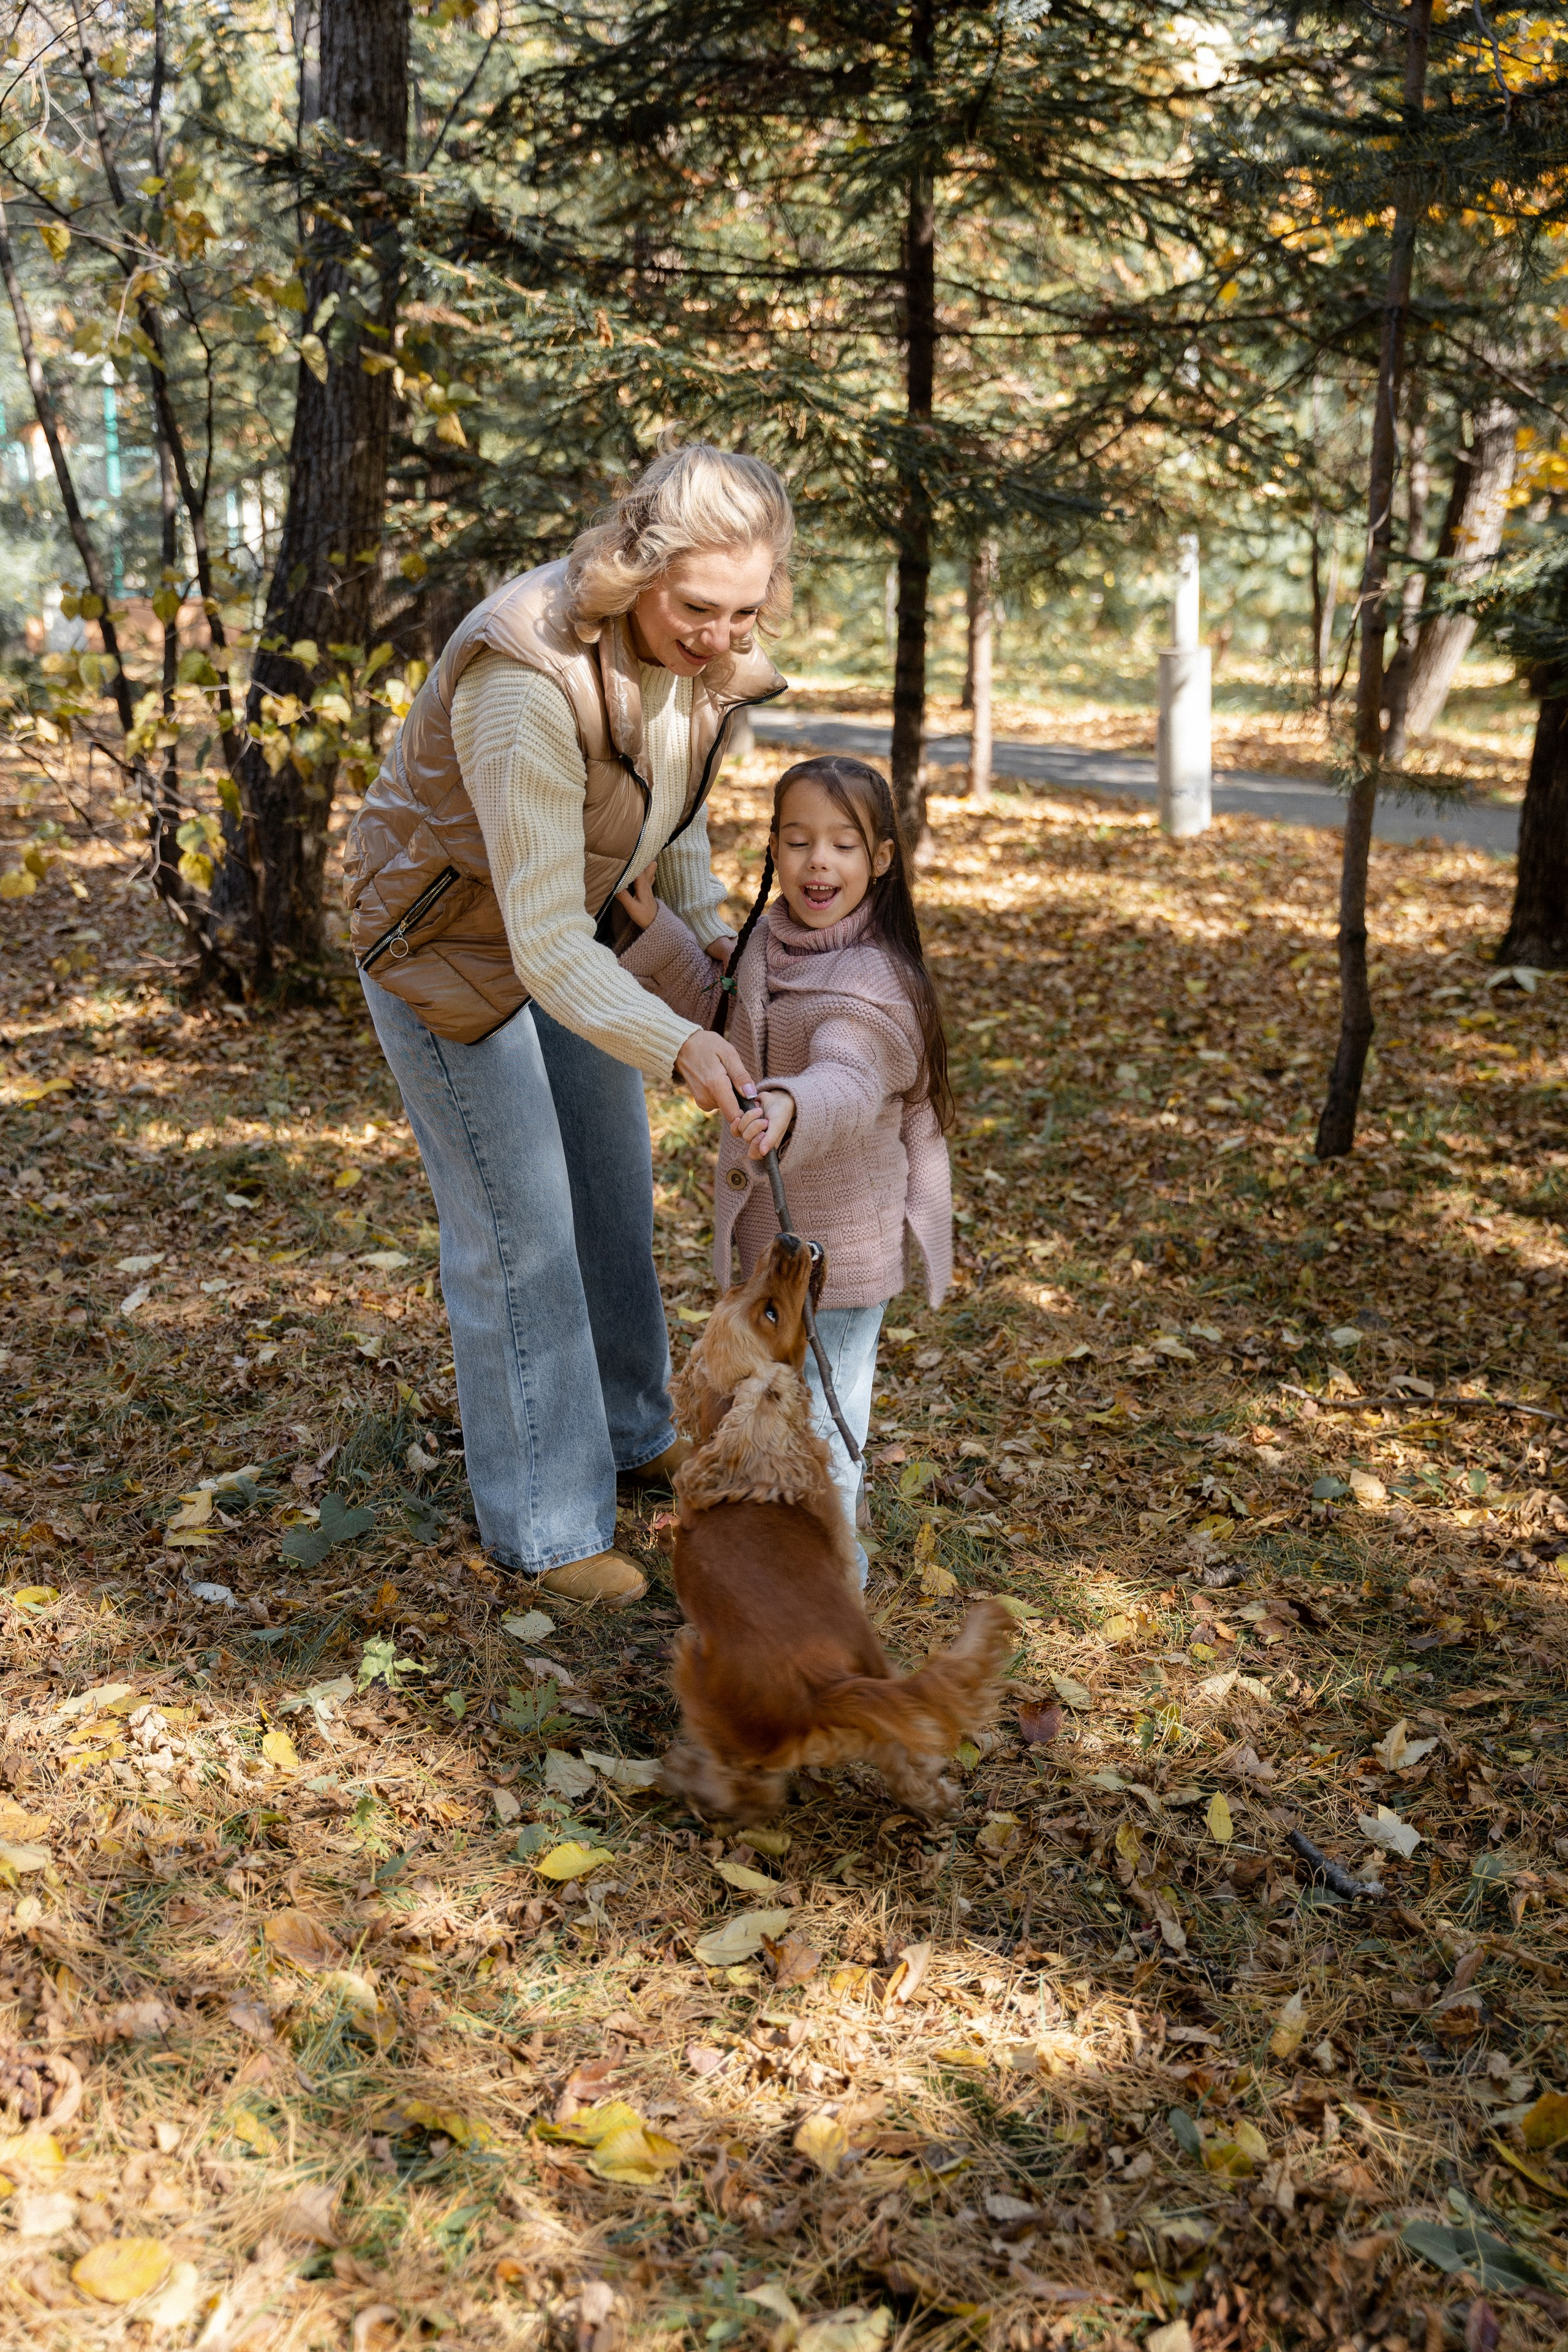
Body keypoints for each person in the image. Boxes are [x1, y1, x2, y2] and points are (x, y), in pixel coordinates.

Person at [344, 443, 793, 1605]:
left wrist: (708, 946)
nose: (721, 637)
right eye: (697, 608)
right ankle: (545, 1525)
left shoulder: (699, 659)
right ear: (637, 568)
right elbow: (539, 944)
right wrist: (679, 1042)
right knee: (521, 1228)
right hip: (448, 949)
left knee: (610, 1186)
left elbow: (668, 808)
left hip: (568, 925)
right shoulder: (526, 675)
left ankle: (632, 1431)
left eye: (745, 613)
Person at [616, 755, 954, 1578]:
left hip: (839, 1261)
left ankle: (834, 1583)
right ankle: (773, 1554)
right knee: (764, 1410)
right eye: (798, 841)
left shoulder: (875, 981)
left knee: (826, 1426)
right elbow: (719, 1012)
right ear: (773, 848)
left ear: (881, 858)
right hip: (771, 1251)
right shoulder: (770, 940)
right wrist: (659, 929)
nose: (817, 863)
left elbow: (851, 1074)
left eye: (843, 844)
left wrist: (794, 1103)